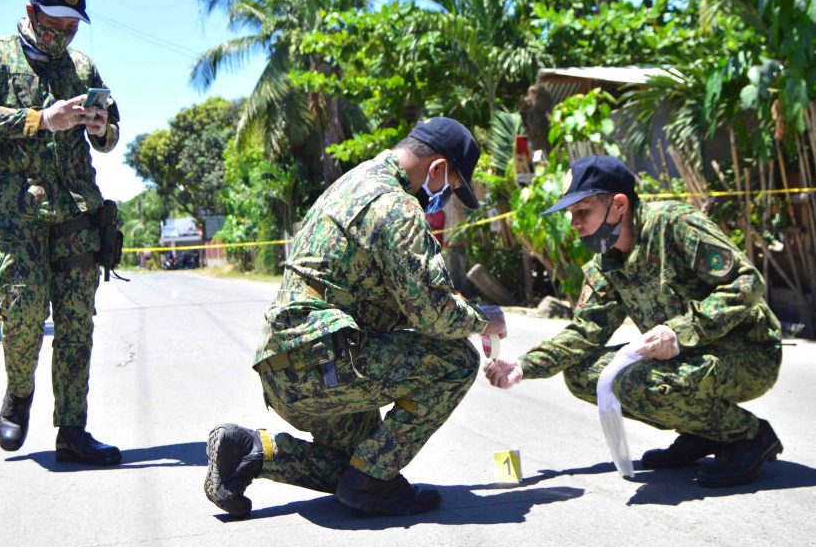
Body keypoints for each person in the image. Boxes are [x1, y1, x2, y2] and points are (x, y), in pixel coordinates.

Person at [205, 117, 507, 517]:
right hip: (324, 364)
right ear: (436, 168)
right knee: (457, 361)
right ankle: (372, 483)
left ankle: (250, 451)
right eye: (449, 187)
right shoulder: (395, 206)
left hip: (290, 365)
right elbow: (434, 314)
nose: (444, 197)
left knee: (356, 465)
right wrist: (484, 320)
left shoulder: (353, 182)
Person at [484, 155, 783, 487]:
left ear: (619, 205)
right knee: (584, 374)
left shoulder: (673, 224)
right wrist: (524, 365)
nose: (575, 224)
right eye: (572, 215)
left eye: (582, 212)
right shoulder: (607, 263)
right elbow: (586, 330)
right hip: (691, 359)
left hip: (748, 353)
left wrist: (681, 332)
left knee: (637, 382)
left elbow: (747, 281)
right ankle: (704, 432)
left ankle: (749, 435)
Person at [0, 0, 121, 464]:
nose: (62, 38)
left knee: (78, 323)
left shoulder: (82, 65)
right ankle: (18, 393)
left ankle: (72, 430)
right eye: (54, 28)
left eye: (71, 29)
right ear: (32, 16)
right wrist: (39, 120)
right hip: (19, 216)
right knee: (24, 315)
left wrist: (102, 127)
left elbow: (111, 135)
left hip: (77, 211)